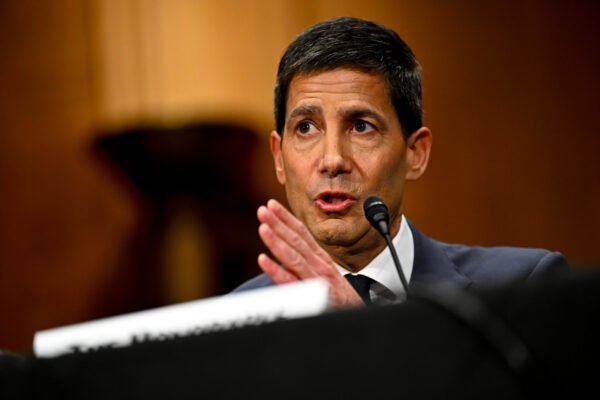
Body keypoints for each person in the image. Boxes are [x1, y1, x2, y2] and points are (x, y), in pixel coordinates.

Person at [234, 17, 568, 307]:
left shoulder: (525, 285)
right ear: (279, 157)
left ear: (415, 153)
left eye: (361, 126)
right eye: (306, 128)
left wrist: (360, 330)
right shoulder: (235, 321)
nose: (332, 160)